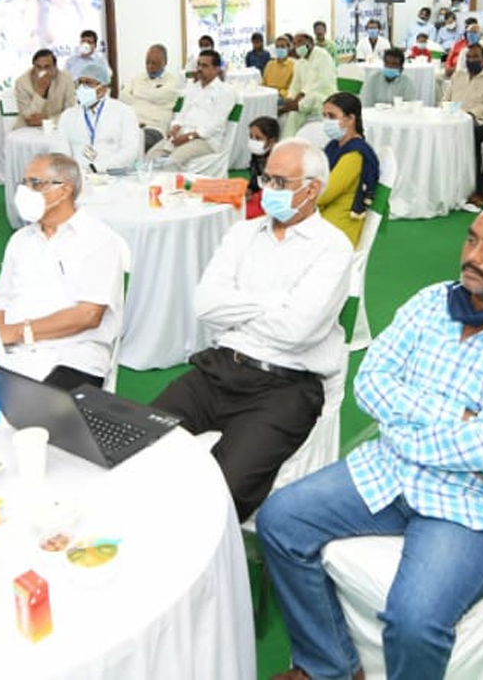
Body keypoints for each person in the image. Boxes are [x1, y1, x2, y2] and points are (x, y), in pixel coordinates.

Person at [257, 199, 483, 680]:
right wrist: (454, 418)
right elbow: (371, 383)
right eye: (471, 239)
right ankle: (330, 666)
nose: (472, 255)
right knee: (280, 520)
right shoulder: (432, 302)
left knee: (413, 621)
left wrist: (405, 428)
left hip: (479, 505)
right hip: (393, 473)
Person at [150, 139, 354, 521]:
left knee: (222, 491)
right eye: (265, 177)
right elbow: (206, 304)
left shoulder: (333, 248)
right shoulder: (242, 233)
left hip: (285, 386)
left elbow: (297, 330)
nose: (266, 190)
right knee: (138, 440)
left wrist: (241, 306)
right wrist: (276, 301)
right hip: (220, 369)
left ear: (312, 189)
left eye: (279, 181)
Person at [0, 153, 125, 381]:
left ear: (64, 190)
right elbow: (0, 302)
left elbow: (88, 315)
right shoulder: (20, 239)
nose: (26, 192)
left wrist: (19, 332)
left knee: (38, 413)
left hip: (74, 355)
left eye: (35, 184)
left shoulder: (99, 239)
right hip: (13, 351)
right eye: (24, 183)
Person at [149, 49, 236, 167]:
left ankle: (168, 185)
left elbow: (216, 124)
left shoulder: (225, 91)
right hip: (182, 135)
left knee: (171, 162)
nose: (199, 69)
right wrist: (175, 128)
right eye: (199, 65)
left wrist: (189, 137)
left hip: (205, 141)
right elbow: (182, 113)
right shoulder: (193, 88)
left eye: (205, 65)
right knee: (151, 156)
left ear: (216, 69)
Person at [318, 92, 380, 247]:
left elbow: (324, 194)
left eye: (332, 116)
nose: (326, 121)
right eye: (324, 116)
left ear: (351, 119)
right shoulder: (334, 145)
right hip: (325, 215)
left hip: (339, 227)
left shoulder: (355, 154)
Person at [446, 43, 483, 208]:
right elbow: (446, 98)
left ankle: (478, 188)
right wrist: (449, 111)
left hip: (479, 121)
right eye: (469, 57)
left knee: (472, 134)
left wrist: (469, 114)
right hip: (452, 119)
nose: (471, 60)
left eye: (476, 57)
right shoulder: (458, 75)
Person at [59, 62, 142, 174]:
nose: (82, 88)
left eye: (88, 83)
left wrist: (96, 168)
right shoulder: (68, 116)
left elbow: (130, 151)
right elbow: (61, 151)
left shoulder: (124, 112)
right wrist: (74, 172)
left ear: (103, 87)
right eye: (80, 83)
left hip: (114, 176)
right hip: (78, 176)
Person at [118, 44, 181, 150]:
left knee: (134, 145)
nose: (150, 66)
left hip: (154, 128)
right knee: (107, 140)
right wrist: (148, 95)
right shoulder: (139, 77)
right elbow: (122, 96)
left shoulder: (172, 81)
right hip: (132, 124)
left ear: (164, 63)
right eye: (147, 62)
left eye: (154, 63)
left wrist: (136, 94)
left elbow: (158, 96)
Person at [280, 33, 337, 138]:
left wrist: (301, 95)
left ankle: (287, 142)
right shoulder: (299, 62)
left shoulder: (322, 55)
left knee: (303, 104)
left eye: (300, 42)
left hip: (324, 96)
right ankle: (287, 143)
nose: (297, 46)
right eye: (295, 43)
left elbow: (323, 82)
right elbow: (295, 84)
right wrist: (290, 97)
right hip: (303, 100)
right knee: (292, 110)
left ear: (310, 42)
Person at [14, 48, 75, 129]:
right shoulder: (21, 82)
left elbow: (71, 111)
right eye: (38, 67)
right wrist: (40, 92)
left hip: (56, 125)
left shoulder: (66, 78)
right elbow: (28, 117)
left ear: (55, 67)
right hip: (27, 128)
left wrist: (48, 121)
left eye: (47, 67)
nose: (43, 71)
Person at [245, 115, 279, 219]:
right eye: (251, 137)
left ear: (272, 141)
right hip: (260, 197)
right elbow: (255, 181)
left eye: (258, 138)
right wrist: (249, 190)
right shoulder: (257, 155)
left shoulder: (280, 158)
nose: (253, 141)